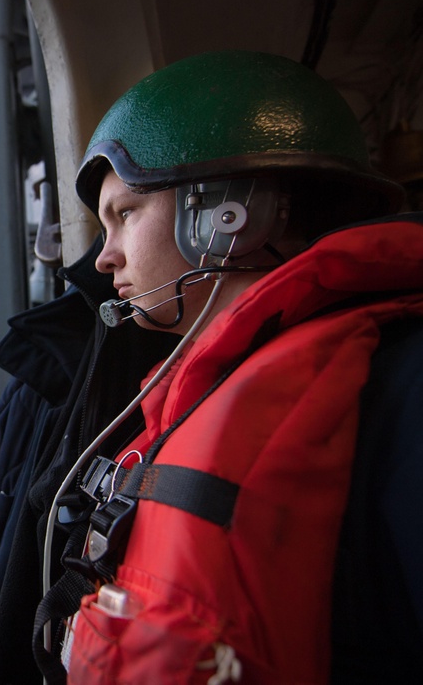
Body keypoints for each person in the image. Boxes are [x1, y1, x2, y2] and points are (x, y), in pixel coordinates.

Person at [42, 50, 422, 683]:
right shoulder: (198, 386)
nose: (103, 259)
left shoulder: (400, 388)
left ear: (225, 214)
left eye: (124, 215)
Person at [0, 239, 178, 684]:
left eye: (127, 214)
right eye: (108, 222)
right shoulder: (64, 362)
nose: (104, 257)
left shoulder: (70, 360)